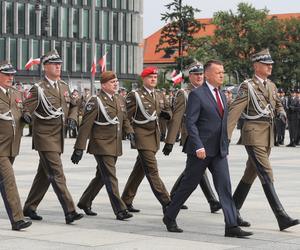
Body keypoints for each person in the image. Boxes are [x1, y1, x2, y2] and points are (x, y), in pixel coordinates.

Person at [163, 60, 252, 238]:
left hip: (218, 150)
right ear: (208, 74)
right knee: (189, 185)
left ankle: (231, 226)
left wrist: (225, 145)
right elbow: (191, 122)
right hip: (201, 150)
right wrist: (198, 146)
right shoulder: (198, 94)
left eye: (222, 72)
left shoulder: (221, 94)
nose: (221, 75)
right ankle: (170, 216)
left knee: (224, 187)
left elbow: (222, 122)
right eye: (218, 72)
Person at [227, 49, 299, 231]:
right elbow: (234, 112)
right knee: (266, 172)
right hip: (253, 134)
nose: (270, 66)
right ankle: (281, 216)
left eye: (271, 64)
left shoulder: (272, 86)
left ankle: (233, 210)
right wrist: (225, 137)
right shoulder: (247, 86)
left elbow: (277, 103)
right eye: (266, 64)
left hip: (268, 134)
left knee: (250, 173)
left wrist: (281, 112)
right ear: (256, 66)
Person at [22, 49, 83, 224]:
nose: (58, 66)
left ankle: (29, 207)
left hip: (58, 136)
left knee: (44, 174)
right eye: (54, 64)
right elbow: (27, 107)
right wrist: (26, 115)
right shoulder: (38, 89)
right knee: (57, 173)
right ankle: (70, 210)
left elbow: (74, 105)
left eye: (59, 64)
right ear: (45, 67)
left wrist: (72, 118)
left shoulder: (63, 86)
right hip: (44, 137)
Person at [71, 71, 135, 220]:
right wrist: (79, 148)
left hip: (115, 144)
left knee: (101, 176)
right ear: (104, 85)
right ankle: (120, 209)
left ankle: (85, 202)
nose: (116, 84)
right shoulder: (95, 101)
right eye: (113, 82)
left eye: (116, 81)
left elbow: (124, 119)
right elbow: (85, 126)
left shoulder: (119, 99)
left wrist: (130, 132)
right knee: (111, 177)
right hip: (101, 144)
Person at [162, 61, 221, 213]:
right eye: (196, 74)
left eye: (201, 74)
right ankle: (212, 200)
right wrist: (170, 141)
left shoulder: (209, 91)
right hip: (192, 137)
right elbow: (177, 118)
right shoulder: (185, 93)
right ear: (190, 77)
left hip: (208, 138)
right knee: (196, 170)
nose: (199, 77)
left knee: (194, 171)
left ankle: (175, 196)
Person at [121, 67, 172, 213]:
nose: (154, 79)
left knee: (139, 170)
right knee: (152, 170)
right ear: (143, 79)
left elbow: (168, 109)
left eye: (155, 77)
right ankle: (167, 202)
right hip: (141, 136)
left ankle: (126, 200)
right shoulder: (135, 95)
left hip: (154, 135)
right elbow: (126, 116)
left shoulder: (159, 95)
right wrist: (129, 132)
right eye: (150, 77)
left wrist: (167, 114)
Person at [0, 61, 32, 231]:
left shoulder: (16, 93)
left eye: (12, 74)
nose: (10, 77)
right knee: (9, 181)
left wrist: (26, 115)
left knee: (4, 182)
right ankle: (17, 219)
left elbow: (24, 108)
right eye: (7, 74)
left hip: (12, 147)